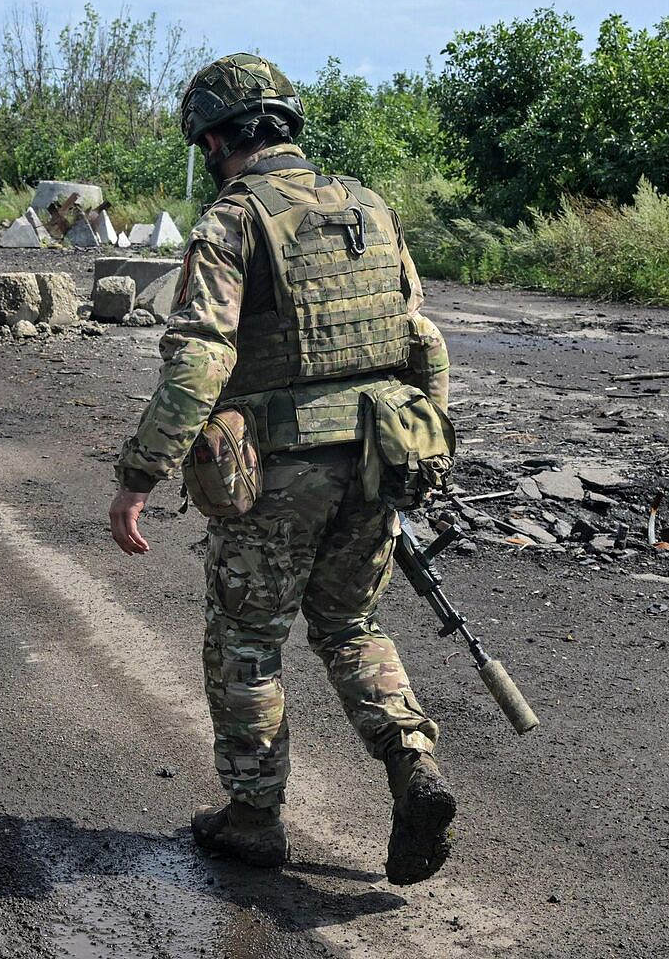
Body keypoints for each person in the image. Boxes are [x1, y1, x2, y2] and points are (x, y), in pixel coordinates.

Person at [107, 53, 457, 885]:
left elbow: (198, 363)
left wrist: (139, 475)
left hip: (277, 470)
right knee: (350, 626)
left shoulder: (233, 220)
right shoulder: (369, 207)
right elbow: (424, 340)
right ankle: (412, 760)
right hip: (381, 456)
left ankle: (254, 820)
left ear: (218, 138)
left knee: (248, 644)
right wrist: (426, 450)